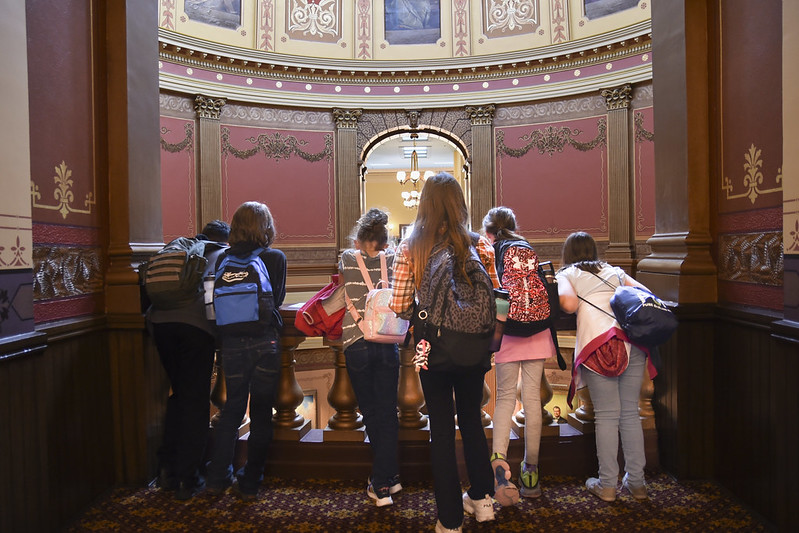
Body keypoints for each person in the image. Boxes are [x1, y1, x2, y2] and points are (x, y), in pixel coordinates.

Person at [390, 172, 499, 533]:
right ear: (459, 204)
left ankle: (449, 519)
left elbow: (401, 305)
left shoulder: (411, 246)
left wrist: (430, 308)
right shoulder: (480, 244)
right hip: (474, 348)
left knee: (440, 427)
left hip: (431, 349)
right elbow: (496, 299)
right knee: (471, 419)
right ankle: (483, 502)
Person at [555, 231, 657, 502]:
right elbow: (645, 293)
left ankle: (608, 485)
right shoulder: (614, 270)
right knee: (630, 415)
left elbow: (568, 303)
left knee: (608, 416)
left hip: (598, 345)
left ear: (568, 254)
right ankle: (637, 483)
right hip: (630, 343)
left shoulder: (568, 274)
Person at [206, 202, 287, 501]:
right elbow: (276, 299)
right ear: (266, 227)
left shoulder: (224, 259)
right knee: (262, 413)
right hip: (265, 342)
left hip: (232, 344)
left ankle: (216, 477)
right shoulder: (274, 258)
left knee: (231, 411)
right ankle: (251, 481)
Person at [148, 220, 230, 500]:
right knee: (195, 402)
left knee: (179, 396)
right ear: (225, 239)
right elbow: (213, 298)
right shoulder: (220, 254)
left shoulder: (180, 248)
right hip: (195, 329)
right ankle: (188, 477)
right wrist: (220, 334)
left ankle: (165, 470)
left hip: (160, 324)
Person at [482, 206, 556, 505]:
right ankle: (531, 472)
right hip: (537, 330)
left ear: (490, 231)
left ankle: (499, 468)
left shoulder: (493, 252)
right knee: (533, 401)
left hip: (508, 330)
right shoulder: (527, 248)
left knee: (504, 401)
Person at [339, 208, 402, 506]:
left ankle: (380, 485)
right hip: (389, 340)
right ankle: (389, 477)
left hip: (357, 341)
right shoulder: (393, 259)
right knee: (388, 412)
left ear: (361, 236)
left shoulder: (347, 259)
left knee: (372, 412)